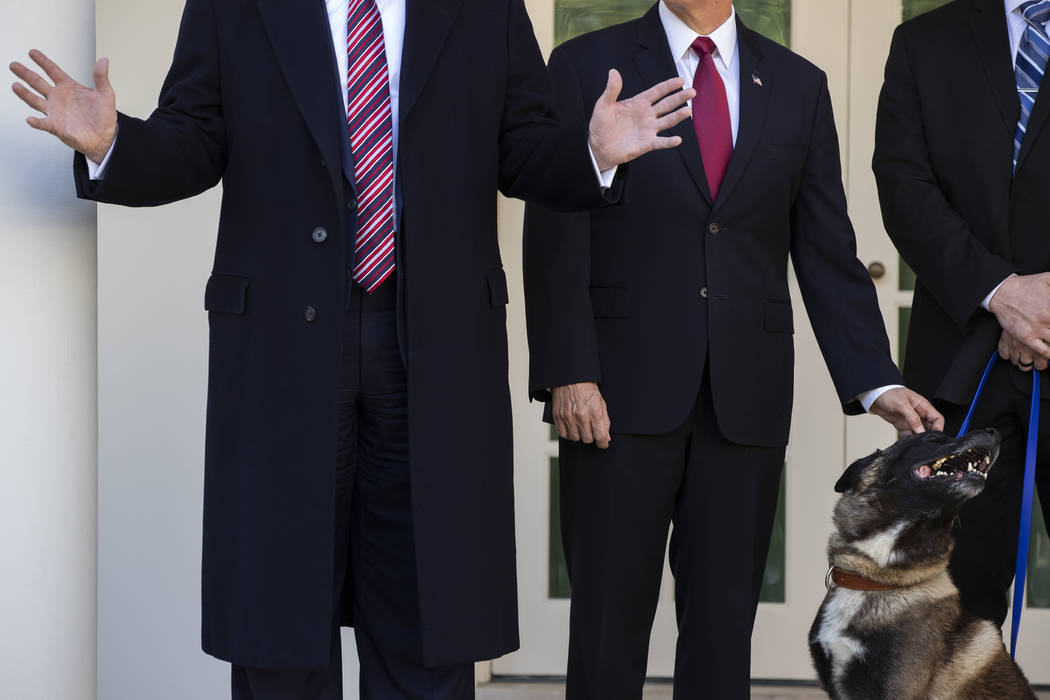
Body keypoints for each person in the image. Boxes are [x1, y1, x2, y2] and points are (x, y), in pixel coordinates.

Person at [8, 0, 697, 697]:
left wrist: (592, 154)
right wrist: (113, 143)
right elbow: (194, 140)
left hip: (438, 344)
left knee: (430, 614)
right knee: (280, 620)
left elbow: (522, 145)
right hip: (280, 347)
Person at [522, 1, 944, 697]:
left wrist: (875, 379)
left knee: (723, 629)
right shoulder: (586, 67)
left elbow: (824, 245)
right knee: (606, 625)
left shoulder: (797, 84)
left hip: (743, 398)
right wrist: (569, 370)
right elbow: (557, 231)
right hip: (614, 398)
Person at [874, 0, 1050, 632]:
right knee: (953, 602)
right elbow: (903, 186)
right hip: (959, 362)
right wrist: (1002, 293)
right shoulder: (925, 41)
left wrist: (1044, 308)